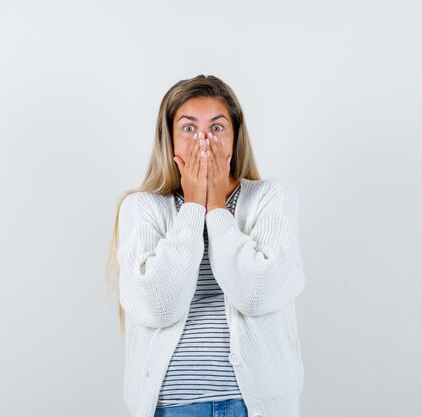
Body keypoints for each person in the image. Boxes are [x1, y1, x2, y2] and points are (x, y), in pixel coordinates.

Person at [105, 74, 306, 417]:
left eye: (216, 128)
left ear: (234, 138)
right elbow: (159, 305)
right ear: (169, 139)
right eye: (188, 128)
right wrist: (194, 204)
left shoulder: (270, 199)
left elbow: (255, 293)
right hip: (171, 407)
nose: (203, 141)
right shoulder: (142, 208)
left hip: (251, 406)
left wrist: (216, 208)